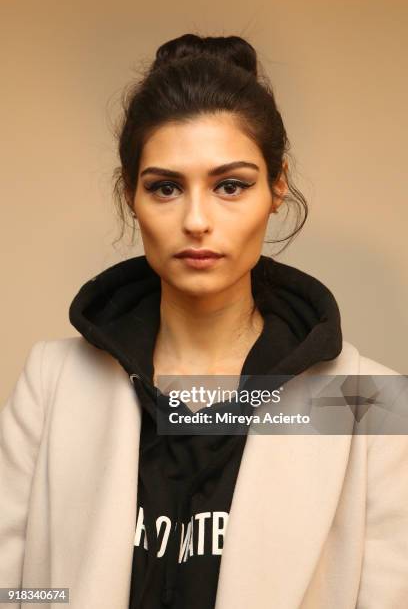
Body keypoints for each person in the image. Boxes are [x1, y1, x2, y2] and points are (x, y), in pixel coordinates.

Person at [1, 33, 407, 609]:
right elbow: (14, 589)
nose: (196, 219)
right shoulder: (53, 383)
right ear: (131, 197)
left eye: (230, 186)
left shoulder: (364, 404)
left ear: (277, 188)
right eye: (165, 187)